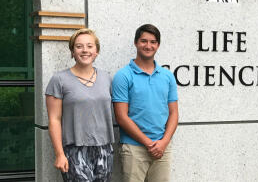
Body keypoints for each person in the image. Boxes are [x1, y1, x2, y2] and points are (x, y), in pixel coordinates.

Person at [45, 28, 115, 181]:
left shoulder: (107, 78)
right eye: (79, 46)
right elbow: (54, 119)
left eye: (90, 46)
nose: (85, 50)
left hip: (104, 149)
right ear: (72, 52)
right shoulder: (59, 80)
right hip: (74, 150)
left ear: (96, 51)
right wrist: (59, 154)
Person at [112, 24, 179, 182]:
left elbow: (174, 113)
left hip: (162, 148)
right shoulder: (123, 76)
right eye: (143, 41)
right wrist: (149, 143)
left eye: (153, 42)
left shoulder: (167, 76)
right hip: (134, 148)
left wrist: (163, 143)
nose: (148, 46)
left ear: (158, 45)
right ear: (136, 43)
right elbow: (121, 117)